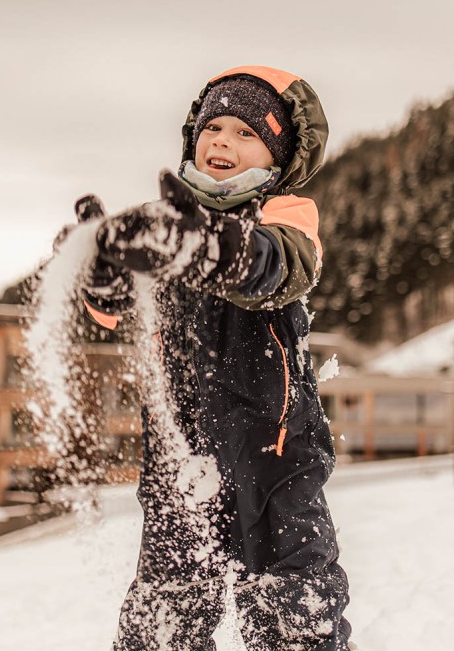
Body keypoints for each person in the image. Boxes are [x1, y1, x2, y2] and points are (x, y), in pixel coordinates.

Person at [78, 66, 351, 651]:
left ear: (276, 155)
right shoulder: (163, 226)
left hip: (277, 461)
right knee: (164, 620)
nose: (222, 141)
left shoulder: (284, 217)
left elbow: (278, 268)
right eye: (214, 127)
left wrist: (214, 250)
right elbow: (107, 313)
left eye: (245, 132)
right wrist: (98, 272)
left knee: (297, 613)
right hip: (181, 464)